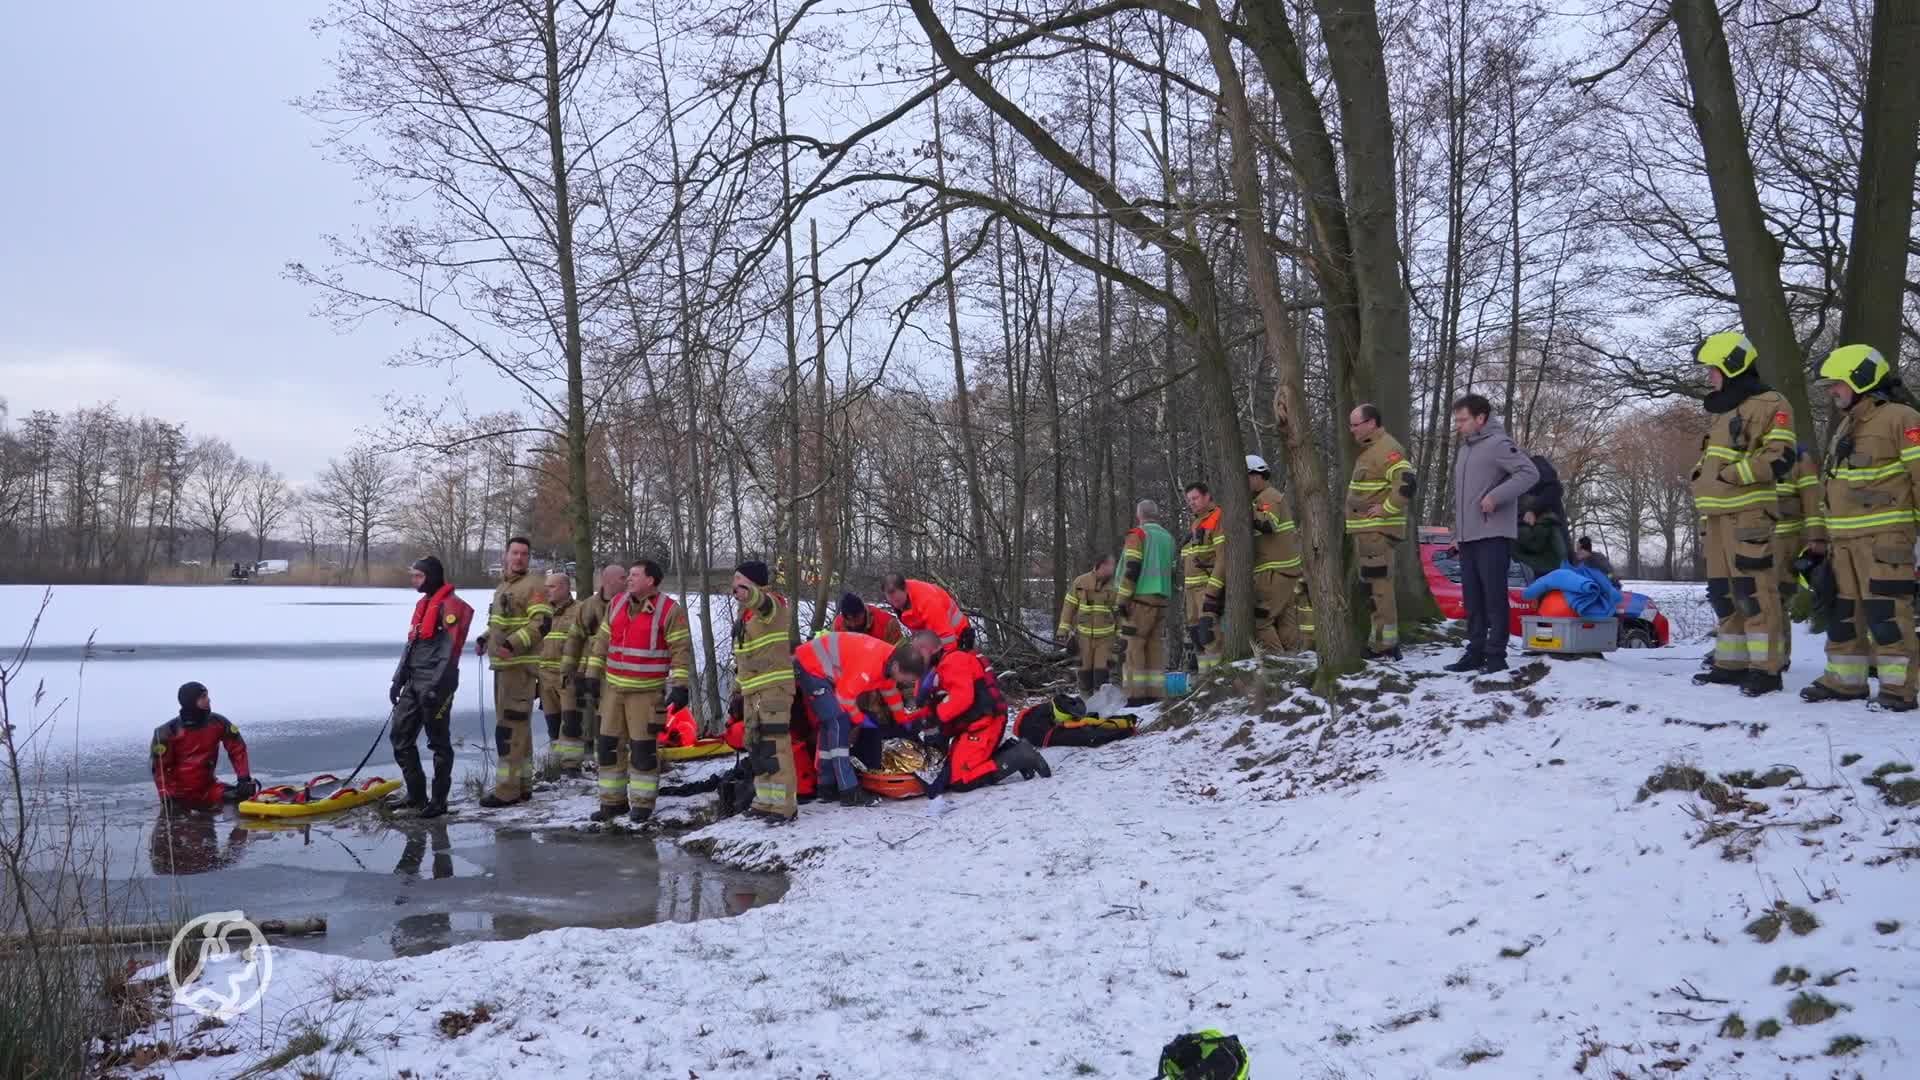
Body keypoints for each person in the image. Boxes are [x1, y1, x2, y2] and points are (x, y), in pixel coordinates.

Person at [1801, 344, 1920, 710]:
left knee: (1886, 616)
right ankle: (1845, 681)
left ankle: (1898, 690)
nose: (1832, 390)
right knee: (1843, 615)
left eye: (1837, 383)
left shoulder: (1902, 419)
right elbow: (1830, 488)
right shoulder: (1846, 426)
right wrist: (1818, 541)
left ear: (1860, 379)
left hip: (1886, 542)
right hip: (1844, 544)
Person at [1689, 332, 1796, 697]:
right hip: (1717, 517)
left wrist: (1732, 475)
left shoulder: (1771, 403)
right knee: (1725, 595)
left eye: (1713, 370)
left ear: (1732, 368)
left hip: (1749, 513)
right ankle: (1731, 664)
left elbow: (1780, 455)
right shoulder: (1725, 411)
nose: (1709, 377)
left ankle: (1767, 670)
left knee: (1755, 592)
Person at [584, 560, 694, 821]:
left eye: (634, 575)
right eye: (628, 575)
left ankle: (643, 805)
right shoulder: (618, 603)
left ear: (651, 581)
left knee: (643, 750)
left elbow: (680, 651)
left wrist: (680, 686)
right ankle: (613, 803)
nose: (628, 579)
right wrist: (590, 674)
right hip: (613, 690)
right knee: (609, 747)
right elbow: (601, 642)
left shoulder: (669, 610)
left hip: (646, 693)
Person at [907, 630, 1050, 818]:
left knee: (960, 780)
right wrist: (909, 720)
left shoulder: (953, 662)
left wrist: (932, 719)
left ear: (931, 649)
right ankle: (1007, 752)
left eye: (918, 652)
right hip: (971, 725)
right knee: (947, 769)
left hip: (985, 723)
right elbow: (931, 704)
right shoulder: (935, 670)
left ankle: (1019, 756)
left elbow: (962, 699)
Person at [1444, 394, 1539, 675]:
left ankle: (1496, 655)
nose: (1458, 426)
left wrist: (1496, 497)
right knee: (1472, 599)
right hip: (1468, 537)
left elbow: (1529, 473)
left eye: (1463, 420)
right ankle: (1474, 652)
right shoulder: (1465, 450)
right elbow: (1463, 498)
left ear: (1481, 418)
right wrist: (1457, 533)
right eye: (1457, 420)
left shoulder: (1499, 444)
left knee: (1494, 598)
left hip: (1493, 535)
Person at [792, 631, 924, 804]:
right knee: (839, 721)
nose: (905, 683)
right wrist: (859, 718)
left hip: (818, 666)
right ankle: (849, 791)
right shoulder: (871, 663)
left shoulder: (890, 660)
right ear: (898, 668)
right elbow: (844, 697)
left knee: (829, 723)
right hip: (809, 665)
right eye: (906, 679)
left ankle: (826, 786)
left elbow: (890, 691)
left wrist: (902, 718)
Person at [388, 556, 474, 817]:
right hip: (414, 680)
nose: (414, 580)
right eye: (413, 575)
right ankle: (416, 795)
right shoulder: (423, 605)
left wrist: (436, 688)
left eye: (419, 576)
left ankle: (438, 801)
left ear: (432, 576)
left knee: (438, 742)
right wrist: (398, 679)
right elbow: (411, 644)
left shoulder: (450, 607)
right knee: (400, 737)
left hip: (438, 683)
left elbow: (450, 652)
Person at [474, 537, 551, 807]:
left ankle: (507, 791)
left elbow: (542, 623)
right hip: (503, 667)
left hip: (520, 669)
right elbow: (501, 623)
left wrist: (512, 644)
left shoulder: (534, 585)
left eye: (524, 554)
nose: (519, 558)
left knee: (509, 730)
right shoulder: (504, 586)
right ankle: (524, 785)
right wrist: (486, 639)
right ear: (506, 555)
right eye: (515, 553)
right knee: (519, 730)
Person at [731, 560, 800, 823]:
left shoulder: (773, 604)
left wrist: (751, 594)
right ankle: (765, 801)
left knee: (775, 746)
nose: (734, 585)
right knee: (757, 746)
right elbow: (744, 659)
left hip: (774, 689)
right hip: (753, 691)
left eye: (739, 579)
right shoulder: (744, 615)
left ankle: (784, 806)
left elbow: (763, 603)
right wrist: (737, 692)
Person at [1346, 403, 1417, 660]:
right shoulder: (1370, 450)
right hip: (1367, 537)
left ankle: (1385, 646)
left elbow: (1407, 483)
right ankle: (1381, 642)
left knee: (1379, 591)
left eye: (1355, 424)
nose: (1351, 429)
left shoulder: (1387, 449)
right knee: (1372, 591)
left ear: (1371, 423)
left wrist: (1385, 510)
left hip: (1376, 535)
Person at [1110, 499, 1178, 706]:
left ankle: (1136, 695)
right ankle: (1155, 692)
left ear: (1139, 515)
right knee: (1154, 646)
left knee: (1134, 646)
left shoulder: (1137, 535)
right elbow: (1173, 571)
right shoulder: (1168, 538)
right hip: (1161, 600)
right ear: (1156, 515)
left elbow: (1131, 569)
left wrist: (1122, 600)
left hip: (1139, 600)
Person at [151, 681, 255, 811]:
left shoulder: (219, 722)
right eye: (203, 697)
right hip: (179, 795)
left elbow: (237, 748)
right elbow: (160, 768)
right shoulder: (167, 732)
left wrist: (244, 778)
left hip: (210, 789)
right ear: (190, 701)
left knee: (243, 797)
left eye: (207, 696)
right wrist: (165, 795)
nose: (208, 700)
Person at [568, 563, 628, 776]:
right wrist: (570, 669)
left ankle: (621, 764)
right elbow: (575, 638)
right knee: (598, 720)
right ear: (608, 580)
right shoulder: (588, 607)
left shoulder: (630, 603)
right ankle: (601, 764)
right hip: (595, 674)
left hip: (624, 673)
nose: (627, 580)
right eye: (622, 577)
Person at [1771, 446, 1825, 666]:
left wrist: (1817, 538)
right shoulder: (1750, 451)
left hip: (1787, 539)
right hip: (1753, 538)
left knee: (1777, 598)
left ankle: (1778, 655)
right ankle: (1764, 655)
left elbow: (1813, 500)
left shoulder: (1799, 457)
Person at [1245, 456, 1304, 652]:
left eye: (1247, 476)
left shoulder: (1267, 497)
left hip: (1274, 572)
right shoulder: (1269, 497)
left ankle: (1278, 663)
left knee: (1261, 620)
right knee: (1285, 620)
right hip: (1286, 571)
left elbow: (1268, 524)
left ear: (1257, 475)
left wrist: (1247, 511)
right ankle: (1295, 661)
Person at [536, 571, 585, 771]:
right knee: (553, 723)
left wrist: (582, 673)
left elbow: (589, 644)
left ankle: (571, 767)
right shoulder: (541, 612)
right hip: (544, 676)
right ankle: (556, 765)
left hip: (568, 677)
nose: (547, 590)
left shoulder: (580, 610)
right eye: (546, 586)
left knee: (570, 724)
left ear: (565, 588)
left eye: (552, 587)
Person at [1179, 482, 1228, 675]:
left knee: (1209, 634)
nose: (1192, 503)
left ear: (1207, 496)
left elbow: (1223, 558)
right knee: (1196, 636)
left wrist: (1213, 592)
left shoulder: (1218, 518)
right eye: (1189, 500)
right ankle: (1203, 679)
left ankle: (1215, 680)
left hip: (1207, 588)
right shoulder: (1196, 522)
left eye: (1195, 498)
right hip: (1191, 590)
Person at [1055, 554, 1118, 692]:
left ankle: (1100, 707)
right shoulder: (1080, 582)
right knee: (1084, 674)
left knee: (1101, 675)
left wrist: (1121, 636)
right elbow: (1069, 606)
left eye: (1113, 567)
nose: (1111, 570)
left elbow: (1120, 613)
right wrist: (1063, 629)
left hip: (1106, 639)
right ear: (1099, 566)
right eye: (1109, 566)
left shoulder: (1115, 586)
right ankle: (1086, 706)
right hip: (1083, 637)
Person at [883, 574, 973, 652]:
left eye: (897, 601)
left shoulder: (927, 601)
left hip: (959, 637)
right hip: (936, 640)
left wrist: (946, 662)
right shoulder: (899, 596)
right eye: (891, 601)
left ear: (905, 590)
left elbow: (947, 638)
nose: (895, 605)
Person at [832, 592, 905, 645]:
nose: (853, 624)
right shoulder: (838, 625)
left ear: (863, 612)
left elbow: (899, 653)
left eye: (856, 619)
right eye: (849, 620)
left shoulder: (887, 624)